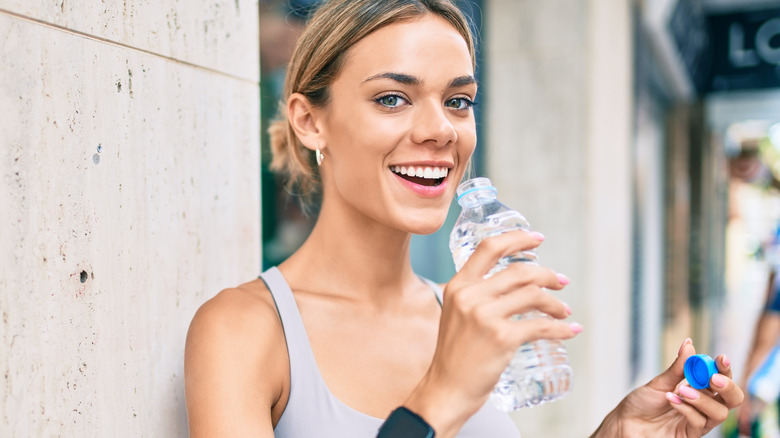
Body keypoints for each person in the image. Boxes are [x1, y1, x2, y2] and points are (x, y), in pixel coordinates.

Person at [184, 1, 744, 436]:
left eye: (458, 101)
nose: (442, 130)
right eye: (392, 99)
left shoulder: (459, 312)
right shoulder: (243, 330)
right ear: (310, 121)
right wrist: (441, 396)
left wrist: (615, 435)